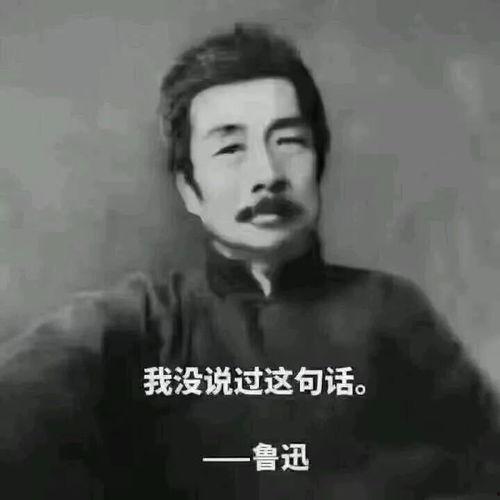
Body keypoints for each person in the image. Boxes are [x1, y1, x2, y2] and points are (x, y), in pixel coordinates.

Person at [0, 24, 499, 500]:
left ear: (319, 162)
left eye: (289, 141)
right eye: (230, 148)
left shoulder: (392, 313)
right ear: (189, 189)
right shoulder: (146, 325)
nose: (267, 173)